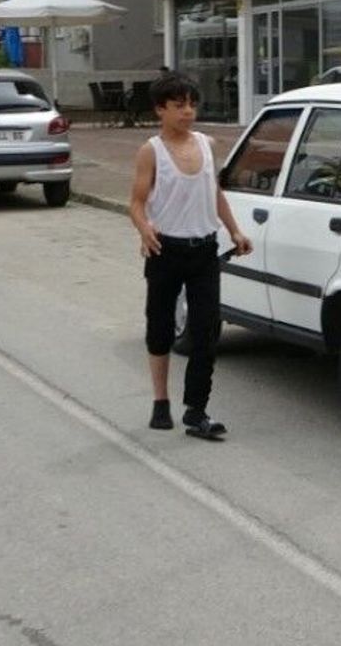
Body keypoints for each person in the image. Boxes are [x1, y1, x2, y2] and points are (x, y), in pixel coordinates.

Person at [129, 72, 252, 439]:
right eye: (179, 105)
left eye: (192, 105)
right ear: (160, 110)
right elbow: (136, 202)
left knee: (206, 331)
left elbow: (214, 192)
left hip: (204, 252)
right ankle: (160, 401)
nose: (187, 111)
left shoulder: (205, 144)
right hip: (165, 250)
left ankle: (196, 411)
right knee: (161, 327)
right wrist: (144, 228)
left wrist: (234, 230)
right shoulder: (151, 151)